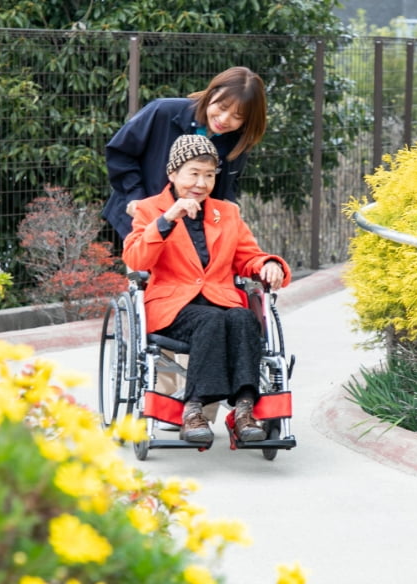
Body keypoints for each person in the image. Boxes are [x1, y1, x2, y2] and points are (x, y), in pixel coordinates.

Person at [122, 134, 290, 446]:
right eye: (194, 174)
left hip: (220, 299)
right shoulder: (149, 210)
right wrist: (167, 219)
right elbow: (136, 259)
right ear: (173, 174)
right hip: (172, 304)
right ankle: (193, 409)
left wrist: (269, 264)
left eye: (210, 175)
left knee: (244, 319)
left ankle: (243, 410)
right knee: (210, 320)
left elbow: (247, 257)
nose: (201, 183)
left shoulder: (227, 213)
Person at [103, 66, 268, 241]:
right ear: (212, 93)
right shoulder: (162, 111)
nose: (224, 119)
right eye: (222, 107)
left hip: (191, 233)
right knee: (138, 263)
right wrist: (136, 198)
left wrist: (228, 207)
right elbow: (120, 152)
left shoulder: (239, 138)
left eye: (237, 116)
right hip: (138, 219)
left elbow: (229, 182)